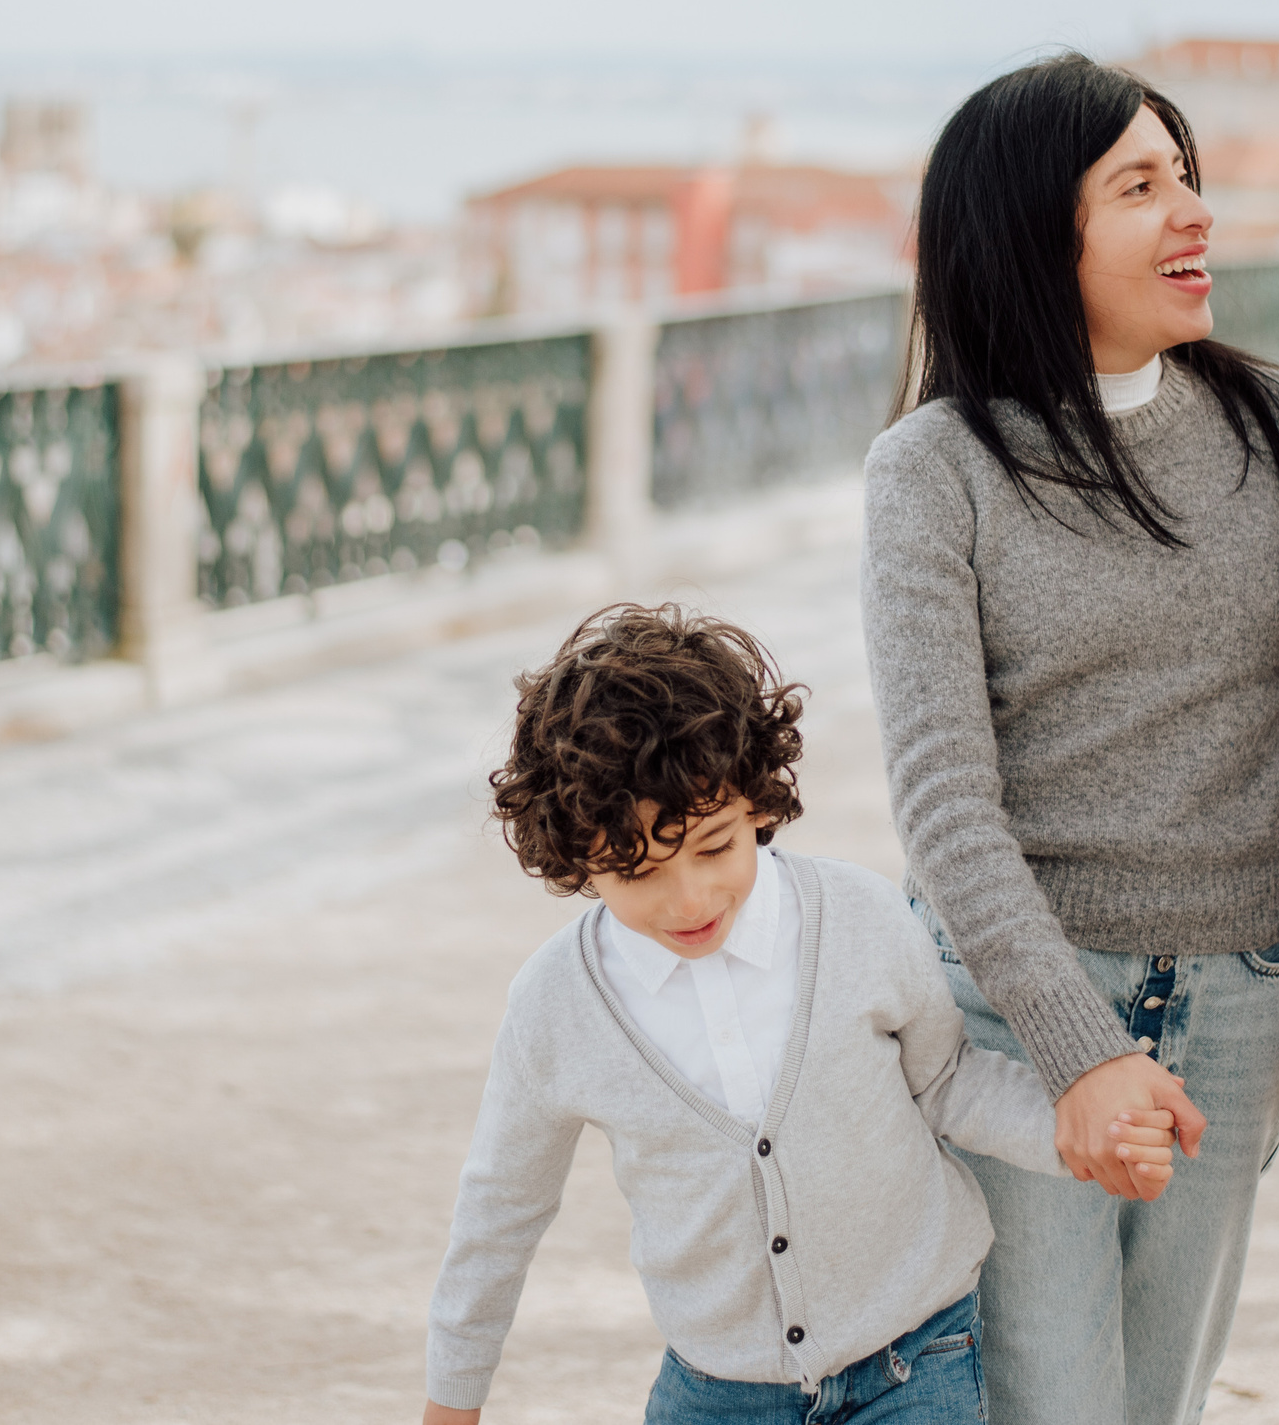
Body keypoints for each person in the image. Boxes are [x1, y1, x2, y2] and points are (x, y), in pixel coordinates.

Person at [862, 52, 1279, 1425]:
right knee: (1049, 1405)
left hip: (1239, 993)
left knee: (1158, 1403)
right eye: (1140, 185)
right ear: (1029, 233)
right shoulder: (935, 467)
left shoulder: (1273, 425)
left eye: (1188, 177)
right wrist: (1080, 1049)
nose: (1193, 213)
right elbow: (945, 802)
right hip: (1014, 1000)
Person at [420, 604, 1185, 1425]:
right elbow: (500, 1211)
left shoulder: (859, 918)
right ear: (576, 857)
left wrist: (1077, 1130)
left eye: (715, 846)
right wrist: (452, 1404)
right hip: (716, 1393)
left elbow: (948, 1081)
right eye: (637, 871)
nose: (691, 898)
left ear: (756, 801)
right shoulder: (554, 1008)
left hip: (914, 1363)